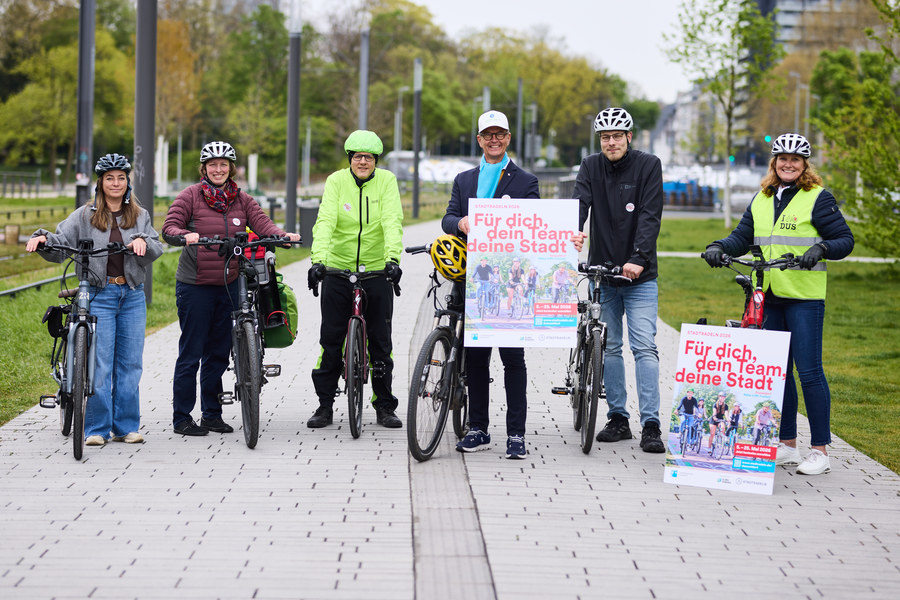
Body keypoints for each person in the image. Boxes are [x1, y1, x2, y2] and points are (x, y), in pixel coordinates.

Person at [704, 132, 854, 475]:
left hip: (804, 298)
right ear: (774, 163)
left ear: (804, 165)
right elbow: (742, 236)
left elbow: (844, 239)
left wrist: (822, 249)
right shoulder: (763, 197)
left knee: (810, 372)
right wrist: (719, 247)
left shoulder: (817, 197)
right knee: (779, 373)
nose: (788, 164)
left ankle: (820, 451)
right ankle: (786, 445)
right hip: (769, 296)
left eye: (795, 160)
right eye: (782, 159)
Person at [163, 141, 300, 436]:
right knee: (191, 352)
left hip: (229, 284)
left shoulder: (242, 199)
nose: (218, 169)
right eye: (212, 164)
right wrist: (185, 235)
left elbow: (262, 224)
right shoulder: (190, 196)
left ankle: (212, 414)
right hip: (196, 286)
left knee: (218, 354)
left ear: (231, 168)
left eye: (223, 164)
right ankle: (182, 418)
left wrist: (281, 235)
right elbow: (170, 226)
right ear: (204, 169)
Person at [27, 153, 163, 446]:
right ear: (100, 183)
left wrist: (143, 242)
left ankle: (126, 427)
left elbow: (156, 245)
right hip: (99, 294)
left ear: (127, 182)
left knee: (129, 364)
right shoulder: (84, 215)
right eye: (110, 178)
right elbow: (61, 243)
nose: (116, 183)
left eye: (121, 178)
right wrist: (42, 240)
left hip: (131, 295)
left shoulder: (139, 215)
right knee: (99, 364)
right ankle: (97, 429)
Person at [442, 110, 539, 459]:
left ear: (508, 138)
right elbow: (447, 217)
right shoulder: (465, 179)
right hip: (474, 282)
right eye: (488, 134)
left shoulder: (526, 181)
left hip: (509, 284)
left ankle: (516, 434)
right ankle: (478, 428)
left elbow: (537, 225)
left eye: (500, 134)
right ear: (479, 140)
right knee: (477, 359)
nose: (494, 139)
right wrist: (460, 223)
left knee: (513, 359)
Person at [570, 107, 665, 453]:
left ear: (629, 137)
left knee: (644, 348)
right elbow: (580, 204)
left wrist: (638, 259)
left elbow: (650, 216)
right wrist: (574, 232)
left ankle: (651, 424)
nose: (611, 142)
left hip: (639, 277)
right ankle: (618, 418)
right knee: (608, 346)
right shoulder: (590, 166)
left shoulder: (648, 165)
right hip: (603, 274)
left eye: (617, 136)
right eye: (605, 137)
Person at [306, 130, 404, 429]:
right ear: (350, 159)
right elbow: (325, 221)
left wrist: (393, 260)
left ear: (376, 161)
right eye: (358, 157)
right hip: (338, 267)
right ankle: (324, 405)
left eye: (369, 157)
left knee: (380, 342)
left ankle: (384, 405)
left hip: (376, 269)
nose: (363, 162)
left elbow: (392, 219)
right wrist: (318, 260)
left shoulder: (386, 181)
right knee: (331, 340)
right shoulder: (337, 181)